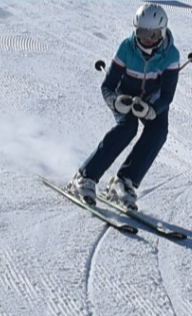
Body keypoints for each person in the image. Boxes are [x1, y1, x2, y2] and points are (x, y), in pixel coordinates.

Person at [71, 4, 184, 210]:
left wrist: (151, 109)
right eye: (141, 33)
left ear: (162, 32)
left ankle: (124, 181)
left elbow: (167, 95)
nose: (146, 39)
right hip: (124, 96)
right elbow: (108, 86)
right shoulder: (126, 48)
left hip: (151, 100)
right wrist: (115, 101)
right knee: (127, 128)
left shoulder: (171, 56)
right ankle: (85, 177)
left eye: (152, 34)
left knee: (158, 131)